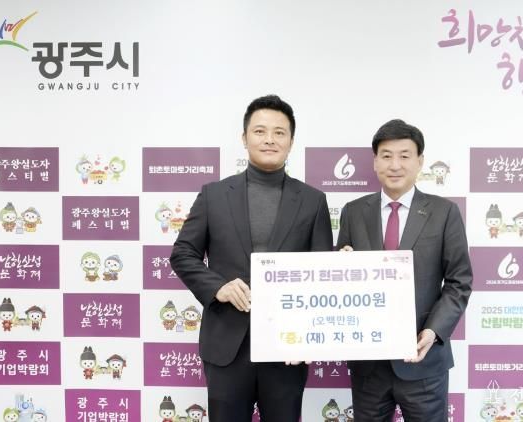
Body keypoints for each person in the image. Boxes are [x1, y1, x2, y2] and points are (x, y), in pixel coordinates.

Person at [171, 95, 333, 422]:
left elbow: (321, 271)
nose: (269, 139)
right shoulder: (214, 195)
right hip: (227, 345)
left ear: (291, 142)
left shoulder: (313, 200)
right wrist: (217, 287)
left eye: (279, 132)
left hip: (287, 347)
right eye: (260, 131)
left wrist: (308, 336)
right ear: (244, 138)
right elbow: (183, 253)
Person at [337, 119, 472, 422]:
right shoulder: (353, 212)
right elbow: (341, 279)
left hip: (423, 358)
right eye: (386, 156)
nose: (395, 165)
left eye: (404, 155)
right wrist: (341, 264)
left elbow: (459, 282)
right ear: (375, 162)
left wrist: (433, 331)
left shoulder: (444, 212)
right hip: (368, 364)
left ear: (420, 161)